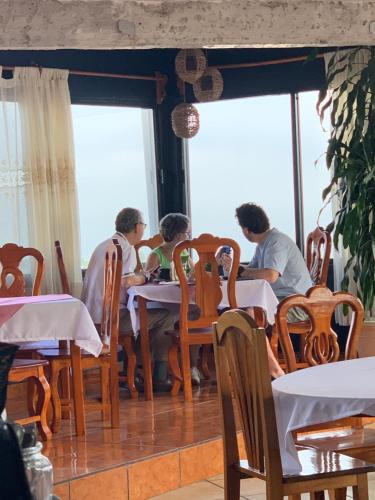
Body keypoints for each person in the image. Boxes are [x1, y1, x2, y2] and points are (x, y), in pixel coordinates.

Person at [81, 207, 175, 392]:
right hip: (110, 319)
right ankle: (158, 376)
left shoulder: (105, 244)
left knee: (146, 318)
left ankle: (140, 371)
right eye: (143, 225)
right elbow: (126, 282)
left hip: (91, 315)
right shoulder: (125, 248)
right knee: (167, 316)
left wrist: (139, 275)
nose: (143, 229)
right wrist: (145, 277)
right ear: (136, 226)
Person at [144, 213, 201, 386]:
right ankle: (161, 372)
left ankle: (191, 366)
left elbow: (192, 274)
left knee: (198, 314)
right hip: (162, 303)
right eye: (187, 234)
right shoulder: (156, 255)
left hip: (181, 303)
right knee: (168, 317)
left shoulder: (183, 254)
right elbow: (148, 280)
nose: (189, 237)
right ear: (178, 236)